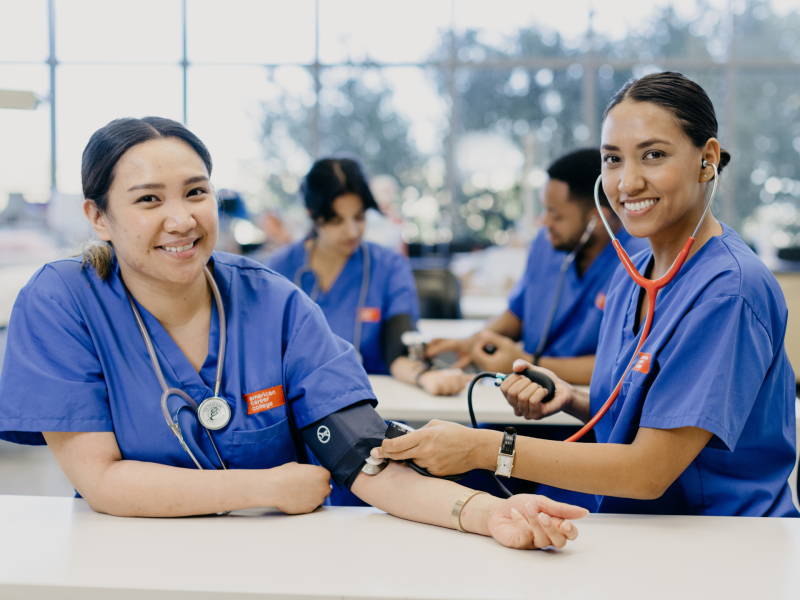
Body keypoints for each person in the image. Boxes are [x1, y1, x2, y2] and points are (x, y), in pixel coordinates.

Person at [0, 117, 585, 549]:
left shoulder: (272, 300)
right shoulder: (63, 301)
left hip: (281, 559)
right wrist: (267, 487)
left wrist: (483, 513)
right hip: (127, 556)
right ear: (97, 216)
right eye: (148, 200)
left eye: (196, 192)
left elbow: (363, 458)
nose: (181, 219)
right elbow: (101, 481)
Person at [373, 72, 799, 517]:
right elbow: (648, 414)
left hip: (724, 541)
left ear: (707, 159)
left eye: (653, 155)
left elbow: (648, 471)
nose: (628, 182)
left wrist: (486, 448)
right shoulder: (634, 269)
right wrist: (572, 400)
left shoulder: (729, 291)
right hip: (638, 525)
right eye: (613, 159)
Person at [426, 148, 648, 385]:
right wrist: (473, 342)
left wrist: (527, 363)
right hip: (525, 393)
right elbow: (518, 314)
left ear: (596, 219)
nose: (544, 222)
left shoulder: (642, 263)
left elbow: (623, 365)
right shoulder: (546, 243)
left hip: (585, 406)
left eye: (555, 214)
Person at [268, 158, 470, 396]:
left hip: (372, 406)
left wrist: (426, 376)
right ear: (313, 215)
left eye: (359, 217)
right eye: (337, 221)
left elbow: (399, 351)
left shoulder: (389, 267)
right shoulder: (277, 269)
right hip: (299, 405)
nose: (352, 231)